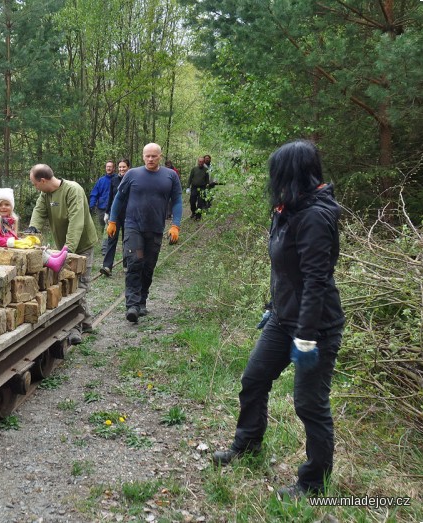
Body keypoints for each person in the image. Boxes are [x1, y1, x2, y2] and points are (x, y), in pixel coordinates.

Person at [212, 140, 344, 501]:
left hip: (315, 328)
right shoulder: (287, 209)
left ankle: (314, 484)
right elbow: (285, 269)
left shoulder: (316, 216)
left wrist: (305, 337)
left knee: (309, 404)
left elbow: (316, 280)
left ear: (293, 173)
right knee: (253, 380)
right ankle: (247, 444)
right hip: (283, 319)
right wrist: (272, 304)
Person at [107, 143, 182, 323]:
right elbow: (119, 198)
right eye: (147, 156)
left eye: (154, 156)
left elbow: (178, 200)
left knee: (148, 266)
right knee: (135, 262)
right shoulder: (133, 174)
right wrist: (112, 220)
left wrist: (175, 225)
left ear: (160, 156)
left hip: (155, 229)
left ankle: (142, 301)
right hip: (134, 228)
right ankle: (131, 305)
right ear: (142, 156)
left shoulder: (170, 176)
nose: (150, 159)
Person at [25, 164, 99, 344]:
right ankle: (86, 320)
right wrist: (32, 230)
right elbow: (39, 212)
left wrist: (69, 249)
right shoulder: (46, 194)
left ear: (43, 180)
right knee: (68, 284)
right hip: (64, 247)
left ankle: (75, 329)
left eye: (35, 183)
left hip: (81, 246)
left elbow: (77, 221)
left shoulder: (73, 190)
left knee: (79, 285)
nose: (35, 187)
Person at [0, 188, 68, 273]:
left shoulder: (7, 220)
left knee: (31, 245)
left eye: (7, 204)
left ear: (11, 206)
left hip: (3, 246)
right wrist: (14, 242)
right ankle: (53, 263)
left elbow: (9, 236)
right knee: (29, 250)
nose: (3, 207)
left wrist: (20, 241)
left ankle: (52, 256)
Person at [100, 158, 130, 277]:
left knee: (127, 241)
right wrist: (107, 213)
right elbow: (111, 197)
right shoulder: (114, 180)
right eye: (120, 167)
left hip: (128, 214)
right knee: (111, 239)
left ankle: (127, 265)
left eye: (124, 167)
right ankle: (107, 266)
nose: (122, 169)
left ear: (128, 167)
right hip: (115, 215)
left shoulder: (132, 179)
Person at [89, 160, 116, 253]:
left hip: (113, 207)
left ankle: (105, 248)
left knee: (107, 226)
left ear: (114, 168)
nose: (108, 168)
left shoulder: (117, 179)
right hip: (101, 207)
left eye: (110, 166)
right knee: (103, 226)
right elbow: (94, 193)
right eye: (107, 166)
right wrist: (92, 205)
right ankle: (108, 242)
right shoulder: (101, 180)